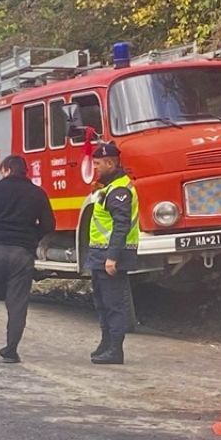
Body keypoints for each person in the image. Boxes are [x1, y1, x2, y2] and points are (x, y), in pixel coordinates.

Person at [0, 154, 55, 363]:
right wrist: (30, 239)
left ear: (6, 169)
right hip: (22, 254)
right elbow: (49, 224)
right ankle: (10, 349)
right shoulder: (37, 193)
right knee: (17, 302)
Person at [85, 142, 139, 365]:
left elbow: (121, 225)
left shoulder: (119, 191)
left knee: (114, 304)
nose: (95, 168)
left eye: (98, 164)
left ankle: (115, 349)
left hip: (111, 256)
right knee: (102, 302)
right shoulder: (107, 188)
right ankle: (106, 343)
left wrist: (112, 257)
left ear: (110, 163)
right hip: (100, 255)